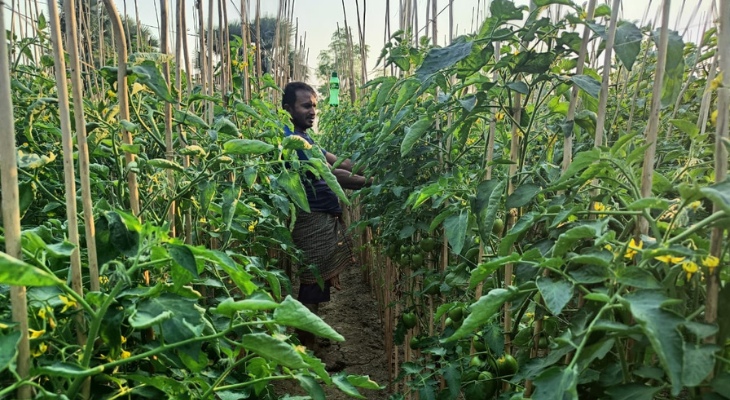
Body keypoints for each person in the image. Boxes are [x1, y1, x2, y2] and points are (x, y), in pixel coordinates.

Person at [281, 82, 369, 349]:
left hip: (320, 217)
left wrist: (373, 165)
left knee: (316, 277)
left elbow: (338, 161)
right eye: (306, 106)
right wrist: (373, 181)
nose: (312, 111)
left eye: (314, 106)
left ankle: (307, 332)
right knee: (312, 279)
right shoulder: (290, 140)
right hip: (312, 217)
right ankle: (304, 338)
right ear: (288, 109)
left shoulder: (305, 139)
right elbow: (332, 175)